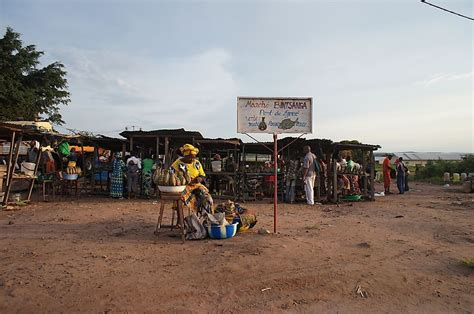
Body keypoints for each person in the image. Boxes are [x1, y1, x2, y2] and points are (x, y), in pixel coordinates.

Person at [172, 144, 213, 215]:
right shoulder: (177, 163)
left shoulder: (197, 163)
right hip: (183, 186)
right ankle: (180, 221)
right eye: (190, 157)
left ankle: (206, 219)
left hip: (196, 185)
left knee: (208, 199)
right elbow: (171, 175)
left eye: (193, 157)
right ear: (185, 156)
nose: (192, 159)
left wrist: (200, 178)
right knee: (179, 201)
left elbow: (202, 175)